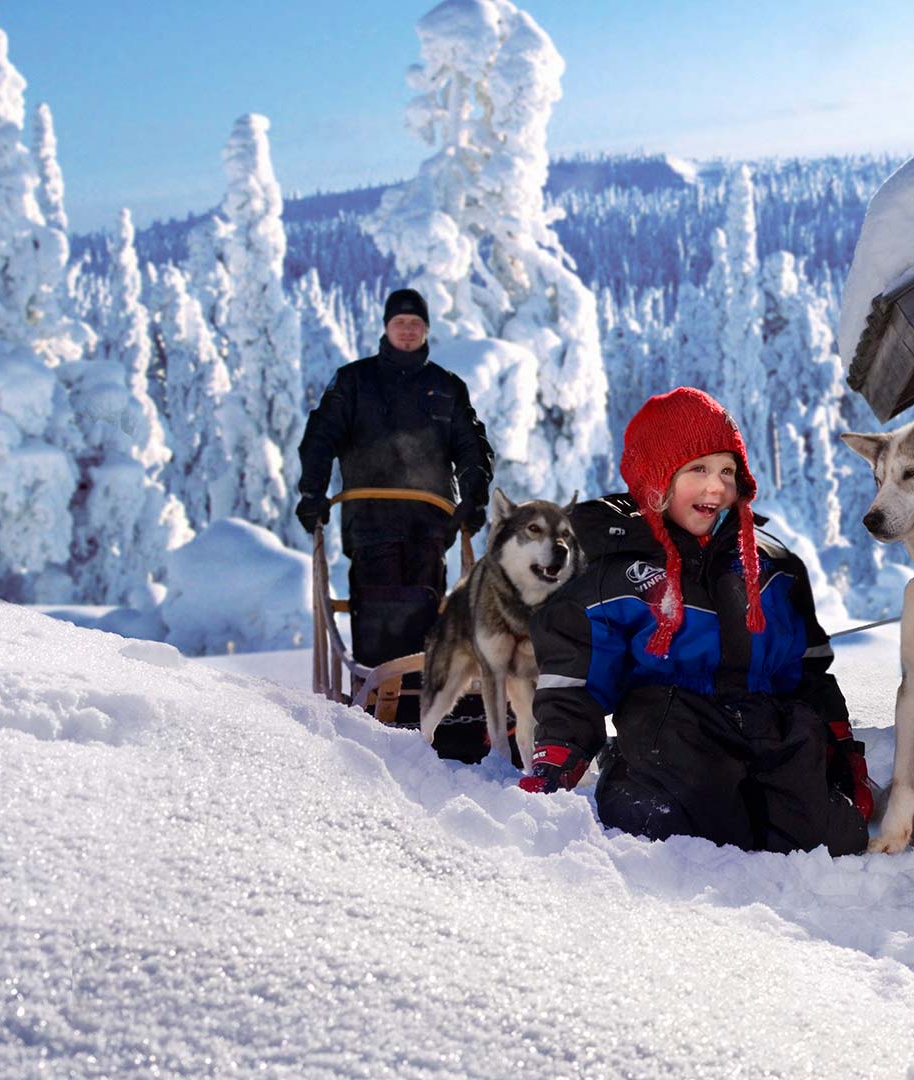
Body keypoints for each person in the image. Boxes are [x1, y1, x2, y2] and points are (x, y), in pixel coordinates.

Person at [519, 387, 870, 857]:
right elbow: (574, 676)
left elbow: (807, 672)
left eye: (727, 471)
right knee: (674, 826)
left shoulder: (773, 567)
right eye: (698, 469)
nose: (715, 487)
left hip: (764, 729)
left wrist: (843, 752)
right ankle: (637, 788)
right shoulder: (615, 568)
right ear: (656, 478)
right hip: (670, 732)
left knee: (834, 838)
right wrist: (558, 755)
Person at [295, 288, 495, 747]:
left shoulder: (446, 386)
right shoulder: (353, 382)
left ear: (426, 330)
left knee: (429, 607)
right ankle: (378, 700)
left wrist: (474, 496)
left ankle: (430, 703)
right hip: (370, 519)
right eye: (401, 322)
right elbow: (320, 437)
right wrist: (313, 492)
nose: (408, 330)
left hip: (430, 523)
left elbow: (471, 446)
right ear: (386, 327)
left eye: (416, 324)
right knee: (380, 604)